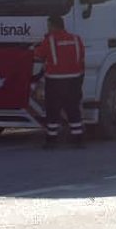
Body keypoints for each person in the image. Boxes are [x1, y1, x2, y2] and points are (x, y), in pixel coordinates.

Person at [34, 15, 86, 149]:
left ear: (53, 26)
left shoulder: (49, 40)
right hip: (74, 79)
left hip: (55, 80)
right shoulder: (76, 39)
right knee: (73, 108)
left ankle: (52, 140)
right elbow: (82, 56)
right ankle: (77, 138)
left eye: (49, 26)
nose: (48, 28)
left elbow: (38, 55)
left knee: (53, 110)